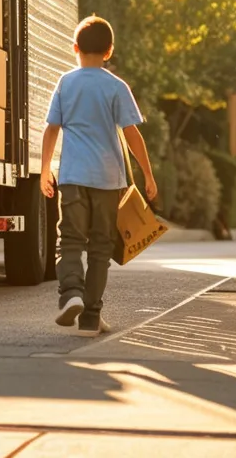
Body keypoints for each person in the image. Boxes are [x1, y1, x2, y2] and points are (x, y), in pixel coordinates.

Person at [39, 17, 158, 337]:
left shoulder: (65, 83)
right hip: (108, 180)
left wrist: (44, 168)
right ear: (109, 51)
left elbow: (51, 129)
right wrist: (147, 175)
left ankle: (71, 295)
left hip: (73, 177)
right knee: (101, 248)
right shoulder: (116, 87)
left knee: (70, 241)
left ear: (75, 49)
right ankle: (90, 317)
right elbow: (132, 135)